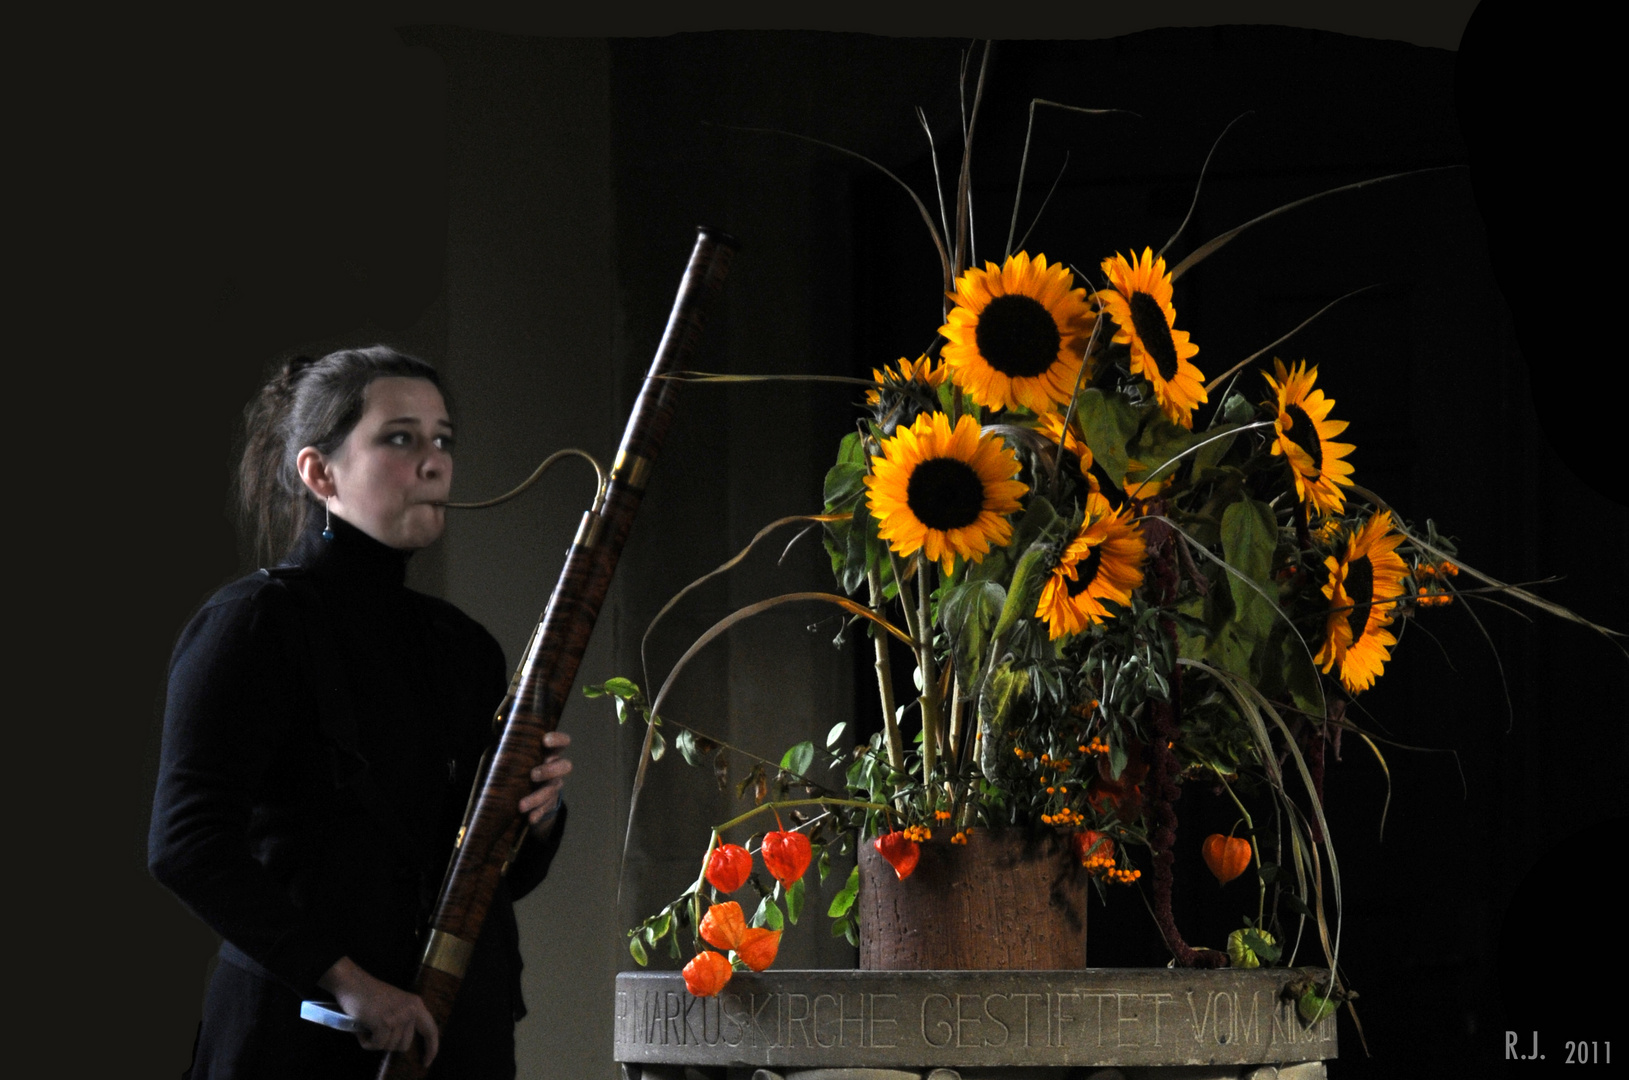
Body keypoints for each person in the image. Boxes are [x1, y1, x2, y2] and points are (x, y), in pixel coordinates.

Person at [149, 345, 572, 1078]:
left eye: (443, 439)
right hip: (297, 1039)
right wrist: (350, 984)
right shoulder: (253, 624)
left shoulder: (463, 646)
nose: (435, 462)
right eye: (400, 437)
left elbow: (490, 880)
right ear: (320, 473)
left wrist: (535, 816)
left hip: (450, 1039)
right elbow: (186, 845)